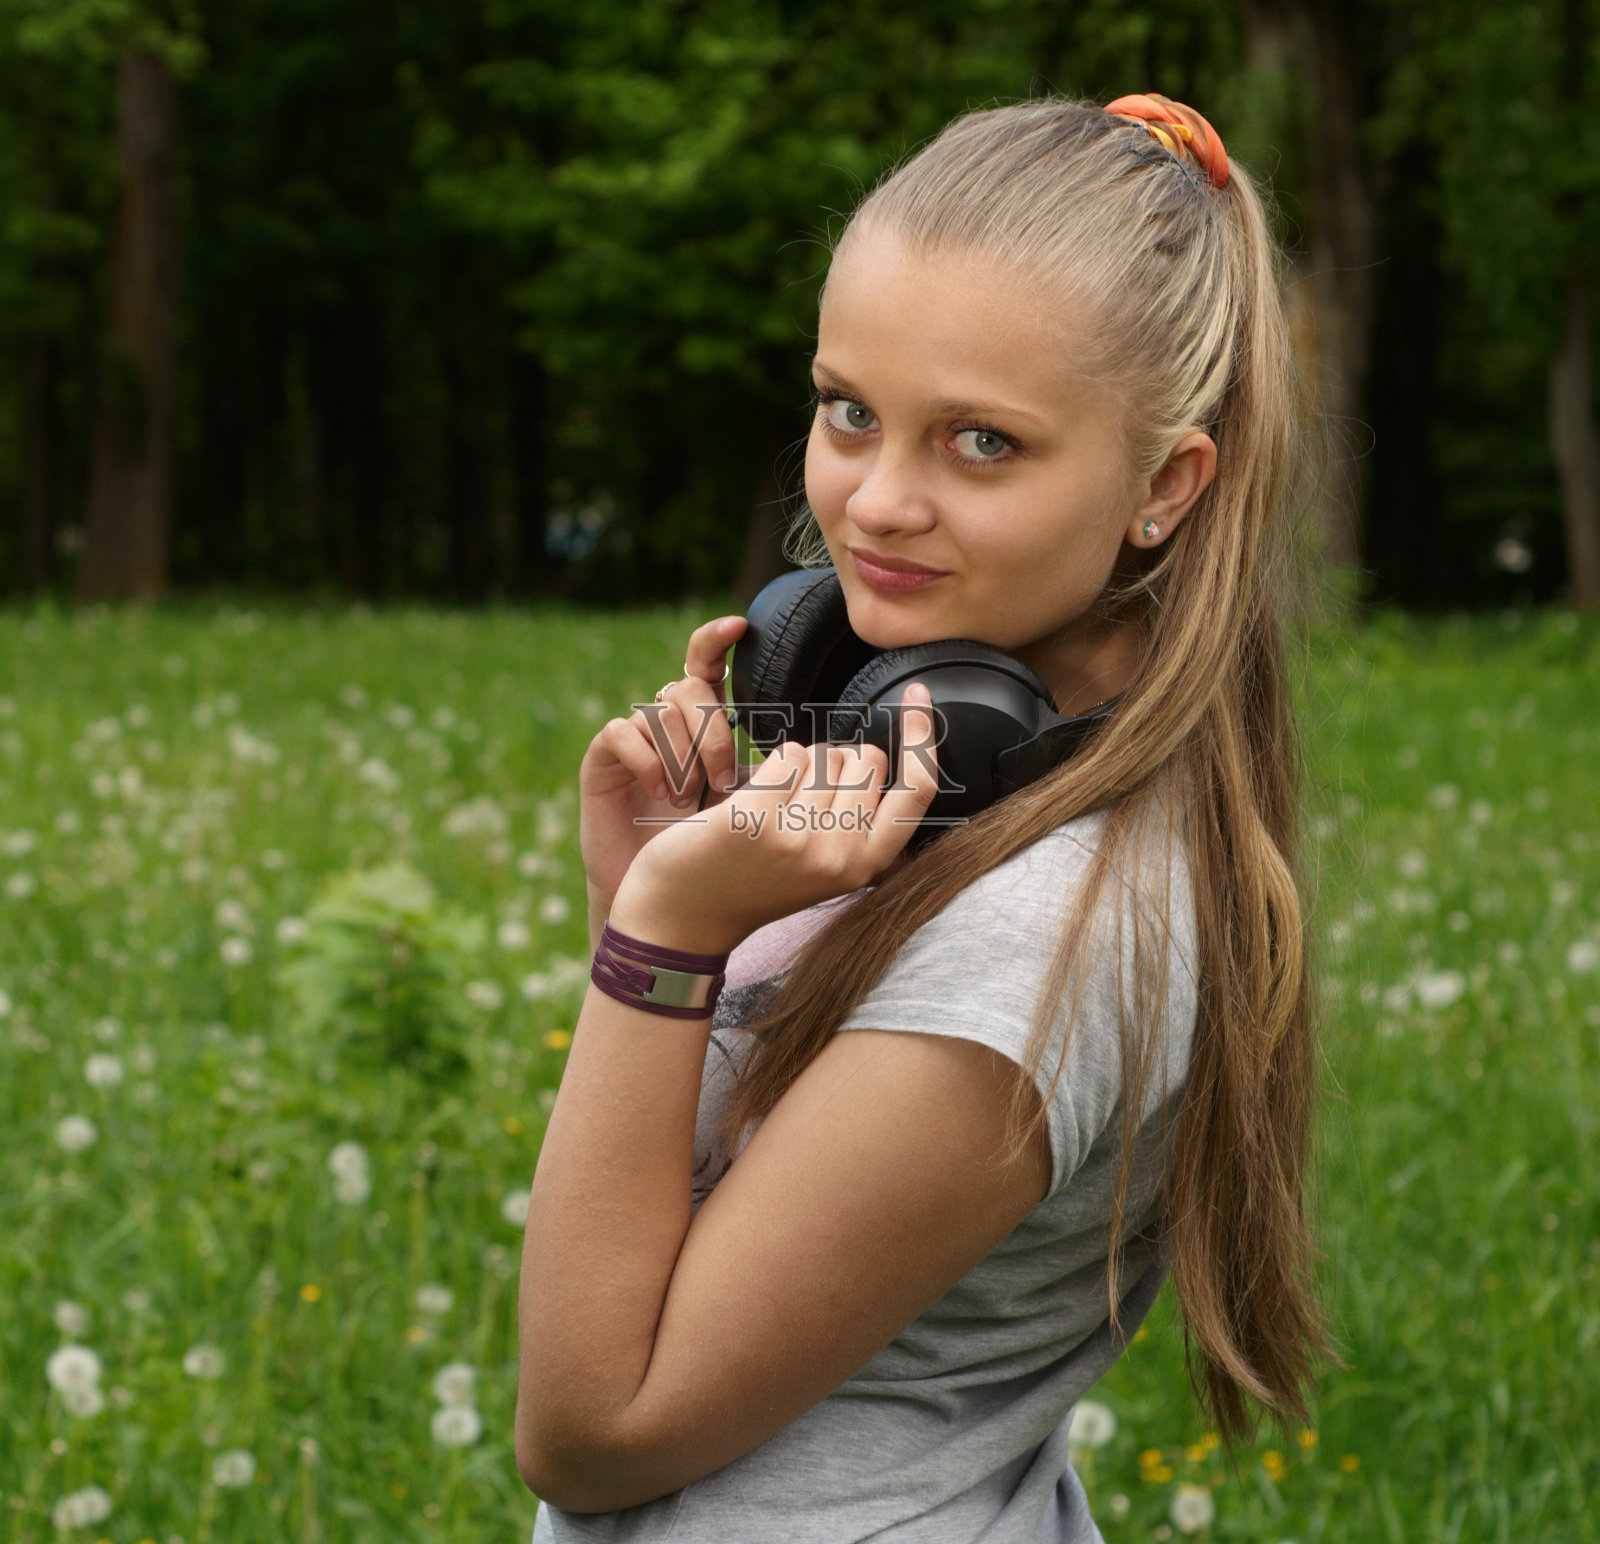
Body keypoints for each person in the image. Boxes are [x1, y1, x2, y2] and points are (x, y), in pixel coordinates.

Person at [515, 93, 1329, 1543]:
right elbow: (698, 1195)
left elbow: (594, 1430)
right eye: (849, 411)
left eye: (983, 444)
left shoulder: (1039, 931)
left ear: (1162, 489)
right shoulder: (955, 784)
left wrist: (663, 936)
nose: (876, 503)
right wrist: (658, 908)